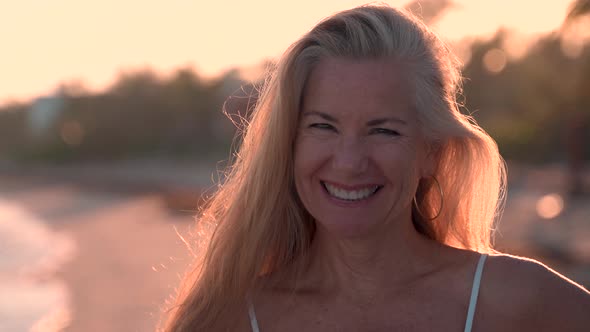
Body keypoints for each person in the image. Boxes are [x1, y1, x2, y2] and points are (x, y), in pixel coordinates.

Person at [161, 4, 590, 331]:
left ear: (432, 153)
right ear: (289, 145)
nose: (349, 162)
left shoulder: (515, 301)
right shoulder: (233, 317)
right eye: (322, 126)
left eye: (383, 131)